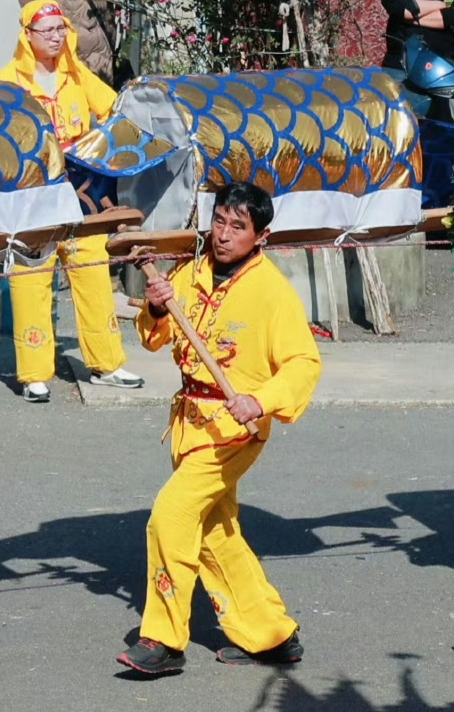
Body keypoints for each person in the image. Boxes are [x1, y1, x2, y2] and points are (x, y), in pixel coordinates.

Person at [119, 182, 320, 677]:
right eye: (220, 221)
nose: (224, 234)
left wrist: (261, 399)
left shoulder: (272, 291)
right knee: (213, 532)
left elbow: (303, 363)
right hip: (190, 421)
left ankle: (164, 639)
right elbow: (154, 338)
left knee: (170, 516)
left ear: (261, 236)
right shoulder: (191, 271)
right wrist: (157, 306)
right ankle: (272, 635)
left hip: (234, 428)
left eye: (238, 226)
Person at [0, 1, 143, 402]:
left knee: (92, 274)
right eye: (48, 30)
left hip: (82, 195)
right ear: (28, 36)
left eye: (61, 29)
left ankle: (106, 363)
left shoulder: (78, 76)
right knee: (32, 279)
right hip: (32, 196)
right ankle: (34, 374)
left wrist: (102, 151)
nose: (56, 37)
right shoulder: (5, 84)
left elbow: (116, 111)